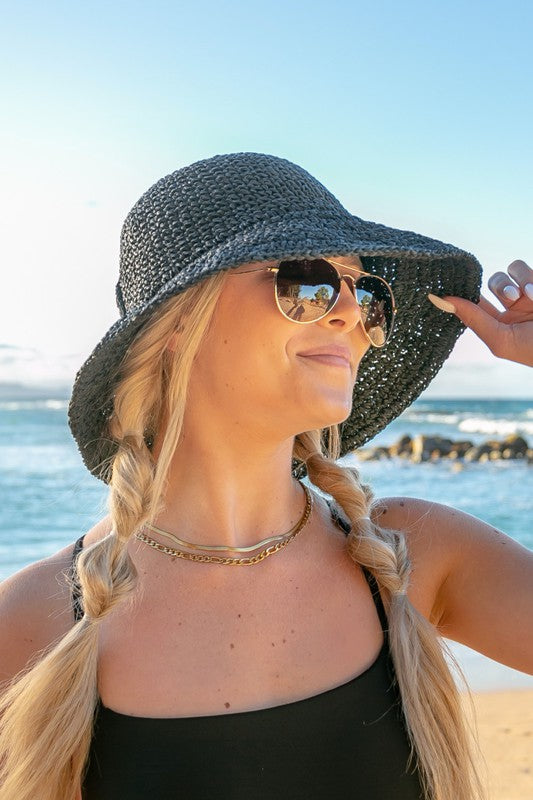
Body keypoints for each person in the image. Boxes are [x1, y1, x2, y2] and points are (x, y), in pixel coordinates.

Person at [0, 152, 532, 800]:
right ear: (173, 323)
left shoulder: (418, 556)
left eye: (366, 293)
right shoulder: (35, 625)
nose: (347, 314)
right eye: (306, 280)